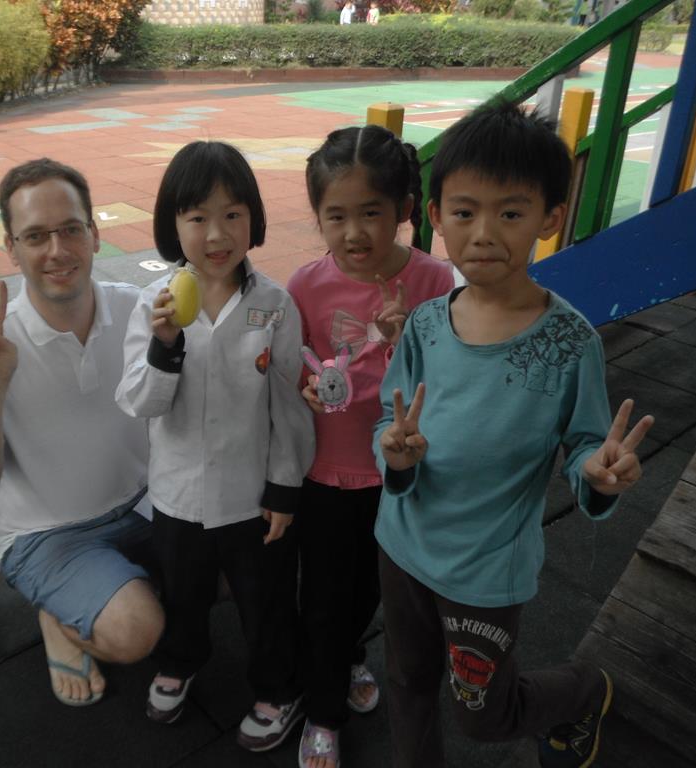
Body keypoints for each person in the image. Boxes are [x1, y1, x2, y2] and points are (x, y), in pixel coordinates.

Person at [373, 100, 655, 768]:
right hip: (402, 546)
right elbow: (391, 420)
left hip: (485, 570)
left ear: (549, 218)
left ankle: (585, 689)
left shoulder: (570, 344)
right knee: (407, 683)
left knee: (484, 715)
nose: (483, 233)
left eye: (510, 213)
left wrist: (597, 471)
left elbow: (586, 444)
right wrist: (395, 454)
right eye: (465, 212)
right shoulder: (425, 325)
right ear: (436, 217)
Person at [0, 158, 164, 706]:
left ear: (95, 234)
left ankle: (90, 597)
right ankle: (59, 619)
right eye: (36, 236)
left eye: (70, 229)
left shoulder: (136, 310)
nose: (57, 250)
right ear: (11, 249)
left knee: (237, 564)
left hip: (145, 503)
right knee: (137, 632)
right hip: (47, 535)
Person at [116, 141, 315, 752]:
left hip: (252, 496)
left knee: (266, 601)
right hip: (177, 495)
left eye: (232, 214)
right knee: (183, 593)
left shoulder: (274, 305)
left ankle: (279, 687)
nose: (216, 234)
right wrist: (165, 346)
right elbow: (139, 402)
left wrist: (284, 487)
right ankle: (181, 659)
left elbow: (288, 406)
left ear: (254, 218)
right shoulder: (153, 307)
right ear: (172, 225)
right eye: (197, 217)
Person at [289, 124, 453, 768]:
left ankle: (351, 654)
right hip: (327, 474)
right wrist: (303, 389)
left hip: (400, 476)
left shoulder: (436, 282)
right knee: (324, 601)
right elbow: (292, 370)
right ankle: (322, 713)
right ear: (318, 217)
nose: (353, 232)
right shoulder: (306, 286)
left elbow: (455, 379)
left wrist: (414, 340)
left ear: (404, 209)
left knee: (372, 594)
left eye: (371, 213)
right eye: (336, 216)